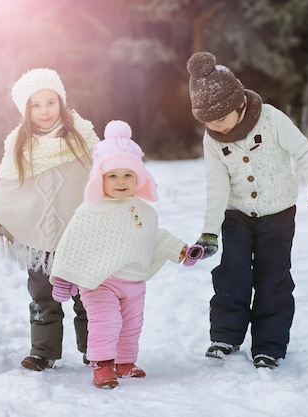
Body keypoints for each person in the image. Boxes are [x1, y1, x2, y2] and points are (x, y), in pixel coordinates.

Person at [186, 52, 308, 370]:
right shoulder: (212, 140)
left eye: (220, 118)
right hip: (237, 215)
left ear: (238, 103)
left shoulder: (271, 119)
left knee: (273, 279)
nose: (215, 126)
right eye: (208, 121)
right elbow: (216, 187)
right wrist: (210, 232)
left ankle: (268, 345)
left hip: (278, 214)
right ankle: (225, 336)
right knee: (232, 274)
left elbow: (305, 152)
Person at [49, 120, 203, 389]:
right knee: (106, 321)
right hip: (99, 281)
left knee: (132, 325)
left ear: (139, 178)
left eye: (128, 175)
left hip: (134, 280)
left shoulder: (143, 211)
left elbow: (155, 236)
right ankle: (102, 364)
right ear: (100, 178)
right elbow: (73, 243)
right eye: (112, 175)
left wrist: (181, 250)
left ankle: (125, 362)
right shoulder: (90, 210)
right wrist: (65, 277)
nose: (121, 181)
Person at [0, 68, 100, 371]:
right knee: (42, 296)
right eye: (36, 105)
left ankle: (95, 350)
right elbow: (10, 186)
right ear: (26, 110)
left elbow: (101, 178)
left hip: (81, 233)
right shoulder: (19, 145)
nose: (45, 110)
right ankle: (43, 351)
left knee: (88, 296)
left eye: (51, 102)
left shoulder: (82, 137)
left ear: (61, 101)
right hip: (38, 240)